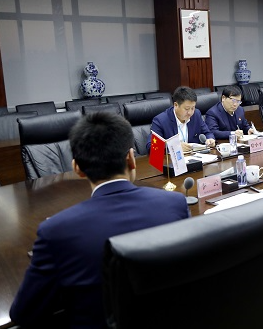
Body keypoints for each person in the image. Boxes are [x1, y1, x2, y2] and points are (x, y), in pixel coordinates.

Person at [10, 112, 190, 328]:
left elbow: (23, 313)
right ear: (131, 158)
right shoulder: (175, 204)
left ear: (77, 168)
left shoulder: (55, 231)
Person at [146, 86, 215, 152]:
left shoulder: (196, 114)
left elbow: (207, 133)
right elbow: (151, 146)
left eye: (193, 108)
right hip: (173, 159)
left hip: (194, 157)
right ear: (176, 105)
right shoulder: (161, 120)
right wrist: (175, 146)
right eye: (187, 109)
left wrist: (210, 139)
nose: (190, 112)